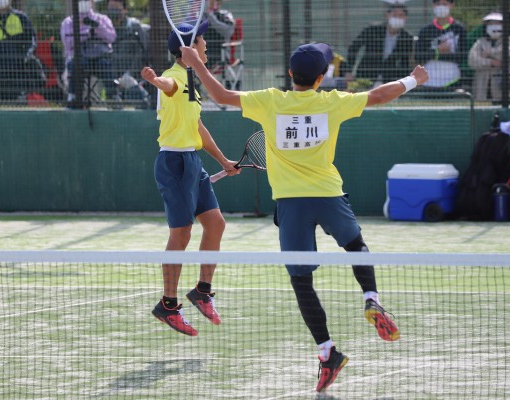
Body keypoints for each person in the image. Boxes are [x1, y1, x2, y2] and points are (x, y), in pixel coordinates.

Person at [180, 42, 428, 392]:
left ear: (291, 74)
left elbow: (219, 94)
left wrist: (194, 63)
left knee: (301, 281)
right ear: (322, 77)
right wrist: (413, 79)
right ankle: (371, 298)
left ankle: (327, 352)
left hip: (291, 203)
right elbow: (377, 96)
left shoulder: (270, 101)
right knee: (356, 245)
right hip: (328, 195)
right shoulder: (332, 102)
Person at [140, 20, 240, 337]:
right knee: (181, 235)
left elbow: (197, 127)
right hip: (174, 162)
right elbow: (167, 86)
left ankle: (202, 291)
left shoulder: (192, 79)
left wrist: (223, 160)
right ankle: (168, 305)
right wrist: (155, 80)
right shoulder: (175, 78)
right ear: (188, 48)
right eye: (202, 40)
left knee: (215, 224)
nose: (207, 45)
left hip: (192, 161)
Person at [0, 0, 40, 102]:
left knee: (18, 106)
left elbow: (31, 42)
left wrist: (22, 60)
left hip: (17, 75)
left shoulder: (21, 18)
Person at [60, 0, 119, 106]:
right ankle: (73, 97)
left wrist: (96, 27)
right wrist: (87, 34)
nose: (84, 2)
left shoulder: (102, 19)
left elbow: (112, 37)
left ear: (92, 2)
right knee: (75, 65)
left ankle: (113, 97)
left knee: (107, 65)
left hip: (100, 59)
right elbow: (67, 43)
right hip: (79, 60)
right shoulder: (68, 22)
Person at [342, 3, 414, 88]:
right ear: (387, 15)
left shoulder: (407, 37)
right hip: (366, 75)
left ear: (405, 18)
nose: (398, 18)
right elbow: (353, 48)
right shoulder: (373, 30)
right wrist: (348, 71)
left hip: (390, 79)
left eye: (401, 15)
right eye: (395, 15)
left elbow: (405, 62)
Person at [468, 12, 510, 102]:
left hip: (509, 90)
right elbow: (472, 61)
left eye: (497, 23)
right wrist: (491, 62)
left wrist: (489, 53)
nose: (494, 26)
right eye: (490, 23)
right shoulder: (480, 42)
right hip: (484, 91)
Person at [415, 0, 467, 89]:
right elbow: (418, 56)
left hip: (452, 78)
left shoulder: (459, 28)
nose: (441, 6)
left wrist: (432, 54)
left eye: (444, 4)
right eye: (438, 4)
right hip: (429, 79)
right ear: (433, 6)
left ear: (451, 5)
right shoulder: (426, 30)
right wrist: (437, 51)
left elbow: (462, 56)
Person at [106, 0, 150, 106]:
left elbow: (144, 52)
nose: (113, 11)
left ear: (125, 10)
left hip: (134, 74)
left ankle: (145, 100)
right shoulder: (106, 29)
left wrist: (130, 73)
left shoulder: (134, 25)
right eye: (111, 8)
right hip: (111, 75)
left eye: (116, 8)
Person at [203, 0, 236, 70]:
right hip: (202, 53)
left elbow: (228, 31)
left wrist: (210, 16)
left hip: (221, 54)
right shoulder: (201, 16)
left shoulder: (225, 14)